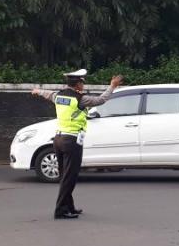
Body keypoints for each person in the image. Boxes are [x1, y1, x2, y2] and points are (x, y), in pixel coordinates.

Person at [32, 70, 124, 219]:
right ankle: (60, 211)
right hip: (71, 141)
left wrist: (37, 91)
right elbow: (101, 100)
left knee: (65, 176)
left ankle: (69, 207)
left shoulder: (59, 96)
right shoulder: (80, 99)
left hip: (58, 140)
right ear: (78, 84)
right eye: (82, 83)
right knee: (70, 177)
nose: (83, 85)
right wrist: (112, 86)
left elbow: (47, 93)